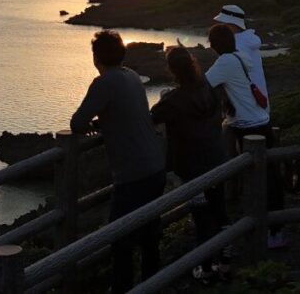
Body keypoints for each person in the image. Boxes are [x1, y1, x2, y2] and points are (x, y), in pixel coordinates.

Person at [71, 30, 166, 292]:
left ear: (95, 57)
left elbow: (77, 123)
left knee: (119, 239)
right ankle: (151, 284)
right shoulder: (132, 76)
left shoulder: (104, 83)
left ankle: (123, 288)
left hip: (133, 174)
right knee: (149, 236)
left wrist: (95, 124)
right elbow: (125, 112)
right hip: (155, 165)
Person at [204, 21, 289, 249]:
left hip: (248, 126)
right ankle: (275, 229)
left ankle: (271, 231)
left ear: (215, 44)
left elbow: (203, 84)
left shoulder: (225, 62)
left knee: (262, 178)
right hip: (261, 120)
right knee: (269, 176)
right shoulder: (241, 56)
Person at [150, 47, 229, 283]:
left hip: (192, 169)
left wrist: (164, 97)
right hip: (216, 160)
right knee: (220, 210)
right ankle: (225, 264)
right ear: (193, 64)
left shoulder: (172, 101)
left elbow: (153, 116)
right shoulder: (210, 89)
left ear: (172, 71)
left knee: (201, 215)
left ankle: (205, 269)